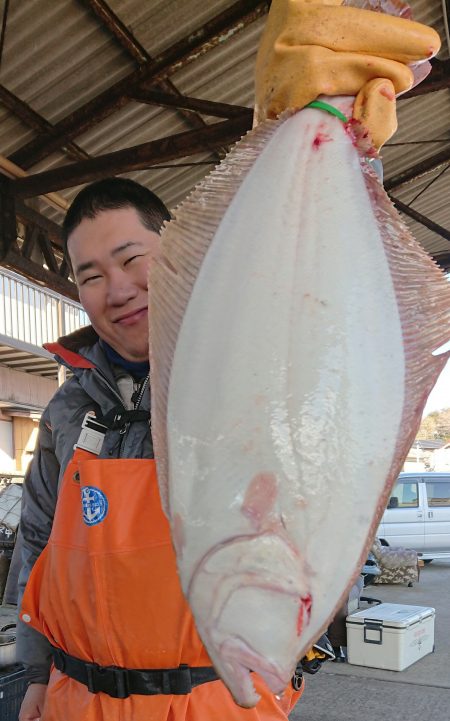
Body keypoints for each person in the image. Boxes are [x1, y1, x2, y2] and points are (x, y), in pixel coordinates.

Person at [17, 2, 439, 720]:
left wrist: (317, 120)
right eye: (89, 274)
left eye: (132, 260)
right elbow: (36, 541)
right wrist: (31, 675)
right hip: (71, 700)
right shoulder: (68, 408)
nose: (116, 290)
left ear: (176, 257)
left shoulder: (229, 329)